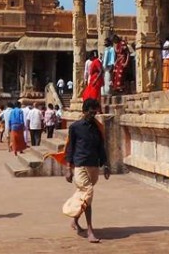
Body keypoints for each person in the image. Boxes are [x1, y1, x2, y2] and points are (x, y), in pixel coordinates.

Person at [63, 98, 109, 244]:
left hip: (93, 164)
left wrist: (105, 164)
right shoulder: (75, 127)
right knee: (88, 192)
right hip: (80, 164)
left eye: (95, 112)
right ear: (84, 111)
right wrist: (68, 168)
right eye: (91, 112)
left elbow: (101, 147)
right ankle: (90, 230)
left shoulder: (97, 127)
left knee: (84, 196)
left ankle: (74, 221)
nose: (93, 115)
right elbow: (70, 147)